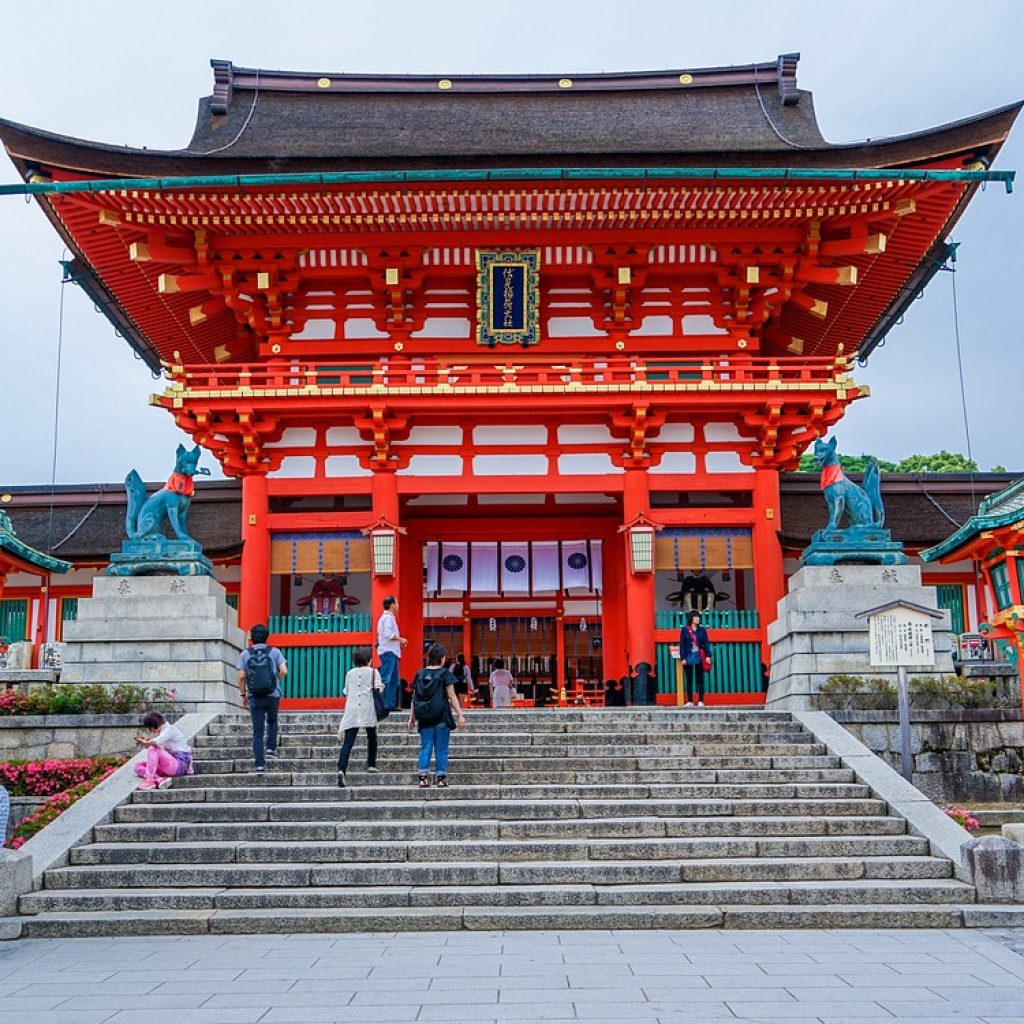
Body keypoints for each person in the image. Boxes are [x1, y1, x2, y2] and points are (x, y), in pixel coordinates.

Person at [409, 642, 465, 788]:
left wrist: (411, 717)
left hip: (424, 718)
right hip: (441, 716)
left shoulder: (420, 674)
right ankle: (441, 778)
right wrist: (460, 715)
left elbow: (414, 697)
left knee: (425, 747)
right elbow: (452, 696)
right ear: (442, 658)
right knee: (441, 748)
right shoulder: (445, 674)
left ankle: (423, 778)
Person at [236, 623, 288, 773]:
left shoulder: (246, 654)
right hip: (273, 694)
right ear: (267, 637)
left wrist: (243, 695)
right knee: (272, 720)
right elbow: (284, 671)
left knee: (257, 732)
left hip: (255, 696)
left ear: (252, 637)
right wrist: (276, 678)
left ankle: (259, 764)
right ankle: (270, 749)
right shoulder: (275, 652)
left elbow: (241, 676)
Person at [336, 646, 384, 788]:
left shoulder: (350, 673)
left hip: (352, 709)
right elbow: (378, 688)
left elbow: (346, 691)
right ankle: (371, 763)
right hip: (367, 707)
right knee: (372, 735)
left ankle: (341, 768)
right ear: (369, 659)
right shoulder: (373, 672)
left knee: (348, 741)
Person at [133, 712, 193, 790]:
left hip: (179, 766)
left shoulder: (170, 729)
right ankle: (159, 779)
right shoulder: (162, 732)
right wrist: (147, 743)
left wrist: (147, 743)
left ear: (153, 725)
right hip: (168, 766)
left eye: (149, 728)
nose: (150, 730)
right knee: (137, 766)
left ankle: (149, 780)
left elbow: (156, 743)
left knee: (152, 748)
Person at [376, 595, 407, 710]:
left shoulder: (385, 618)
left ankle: (390, 704)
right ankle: (383, 704)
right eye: (397, 603)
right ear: (392, 604)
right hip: (389, 651)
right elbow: (388, 634)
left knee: (394, 679)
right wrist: (401, 639)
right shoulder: (388, 618)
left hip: (391, 651)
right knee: (386, 678)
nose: (398, 606)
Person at [679, 610, 712, 707]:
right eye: (696, 617)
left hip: (699, 656)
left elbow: (706, 643)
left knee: (700, 679)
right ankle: (689, 701)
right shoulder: (685, 630)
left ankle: (701, 701)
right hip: (688, 656)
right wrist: (683, 658)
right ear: (691, 619)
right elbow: (682, 645)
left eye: (699, 617)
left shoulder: (702, 630)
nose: (698, 619)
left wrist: (708, 656)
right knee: (689, 679)